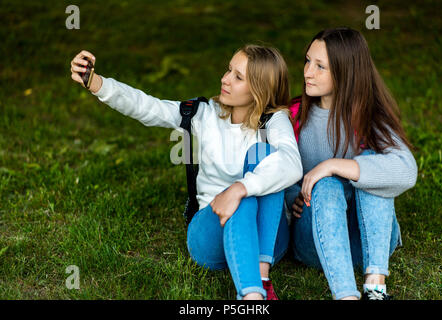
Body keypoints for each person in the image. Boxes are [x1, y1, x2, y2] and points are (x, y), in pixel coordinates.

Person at [70, 45, 302, 300]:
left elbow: (291, 162)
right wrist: (97, 83)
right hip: (211, 233)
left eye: (238, 77)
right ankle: (255, 294)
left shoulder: (271, 121)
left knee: (262, 158)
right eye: (228, 70)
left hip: (264, 240)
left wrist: (239, 189)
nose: (224, 79)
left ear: (260, 89)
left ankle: (256, 285)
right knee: (245, 195)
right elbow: (149, 107)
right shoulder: (202, 114)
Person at [285, 27, 417, 300]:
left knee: (370, 164)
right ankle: (345, 294)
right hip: (315, 242)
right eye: (308, 61)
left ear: (346, 71)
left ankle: (375, 285)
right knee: (327, 183)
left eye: (320, 66)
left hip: (368, 243)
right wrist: (290, 196)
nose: (308, 72)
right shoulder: (294, 116)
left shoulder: (369, 116)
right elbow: (273, 168)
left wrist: (333, 164)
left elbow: (406, 171)